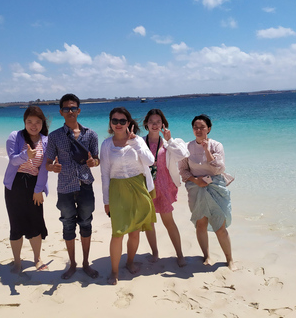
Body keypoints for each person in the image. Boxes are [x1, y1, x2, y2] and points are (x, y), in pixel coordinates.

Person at [45, 93, 100, 279]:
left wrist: (95, 163)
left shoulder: (91, 134)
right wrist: (52, 167)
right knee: (68, 225)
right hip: (65, 187)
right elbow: (47, 162)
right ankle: (73, 264)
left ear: (79, 110)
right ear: (61, 112)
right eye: (67, 109)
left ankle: (85, 263)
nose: (70, 111)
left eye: (73, 108)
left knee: (86, 223)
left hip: (85, 184)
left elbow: (97, 158)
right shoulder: (54, 137)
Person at [100, 107, 156, 285]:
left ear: (128, 123)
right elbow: (104, 174)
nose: (118, 124)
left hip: (138, 187)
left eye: (122, 121)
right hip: (117, 189)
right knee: (117, 233)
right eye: (114, 120)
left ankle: (130, 262)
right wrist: (106, 201)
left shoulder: (138, 140)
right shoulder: (107, 145)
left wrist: (135, 143)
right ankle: (114, 271)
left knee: (134, 231)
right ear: (110, 123)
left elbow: (150, 161)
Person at [178, 114, 236, 270]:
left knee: (220, 226)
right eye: (195, 127)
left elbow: (219, 168)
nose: (198, 130)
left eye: (202, 127)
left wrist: (206, 149)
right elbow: (183, 170)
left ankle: (229, 259)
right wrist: (196, 180)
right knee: (201, 224)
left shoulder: (217, 145)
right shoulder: (187, 147)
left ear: (208, 129)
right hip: (196, 188)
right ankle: (206, 256)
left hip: (216, 187)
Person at [3, 106, 49, 274]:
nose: (33, 125)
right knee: (16, 223)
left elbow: (44, 169)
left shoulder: (46, 141)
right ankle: (17, 262)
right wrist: (26, 156)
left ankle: (37, 258)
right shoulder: (15, 136)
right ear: (24, 122)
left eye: (37, 122)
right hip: (14, 185)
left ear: (42, 123)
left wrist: (39, 190)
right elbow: (13, 160)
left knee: (35, 221)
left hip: (34, 185)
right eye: (29, 121)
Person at [142, 109, 189, 267]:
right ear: (146, 124)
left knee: (169, 221)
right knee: (149, 222)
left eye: (158, 122)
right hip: (147, 187)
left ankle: (180, 254)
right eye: (151, 122)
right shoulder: (140, 142)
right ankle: (155, 253)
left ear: (163, 124)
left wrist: (170, 140)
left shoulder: (168, 143)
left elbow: (183, 154)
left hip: (164, 186)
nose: (155, 125)